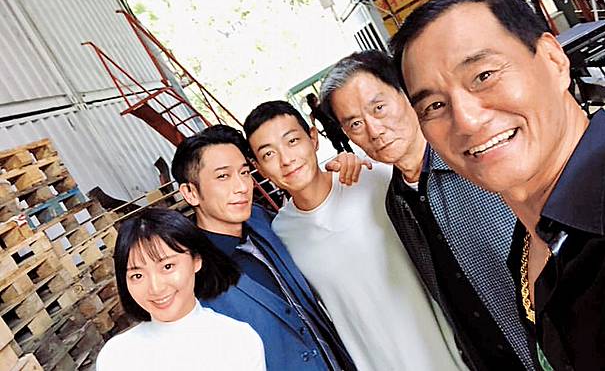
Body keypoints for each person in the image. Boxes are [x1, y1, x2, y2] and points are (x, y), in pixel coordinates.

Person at [392, 0, 605, 371]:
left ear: (553, 61)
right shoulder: (526, 251)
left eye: (484, 75)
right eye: (435, 105)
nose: (467, 120)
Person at [319, 50, 535, 371]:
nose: (374, 130)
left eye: (379, 108)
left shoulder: (478, 158)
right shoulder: (395, 202)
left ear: (407, 94)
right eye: (355, 124)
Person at [243, 100, 467, 371]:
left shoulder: (375, 178)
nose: (286, 159)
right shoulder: (280, 233)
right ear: (258, 168)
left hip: (452, 354)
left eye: (292, 141)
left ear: (313, 138)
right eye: (269, 154)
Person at [171, 125, 355, 371]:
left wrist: (341, 179)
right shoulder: (190, 278)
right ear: (191, 192)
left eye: (244, 172)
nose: (242, 187)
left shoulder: (263, 221)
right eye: (223, 176)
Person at [96, 208, 265, 371]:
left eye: (167, 266)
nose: (156, 288)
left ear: (196, 260)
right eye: (138, 275)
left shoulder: (238, 340)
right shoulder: (116, 356)